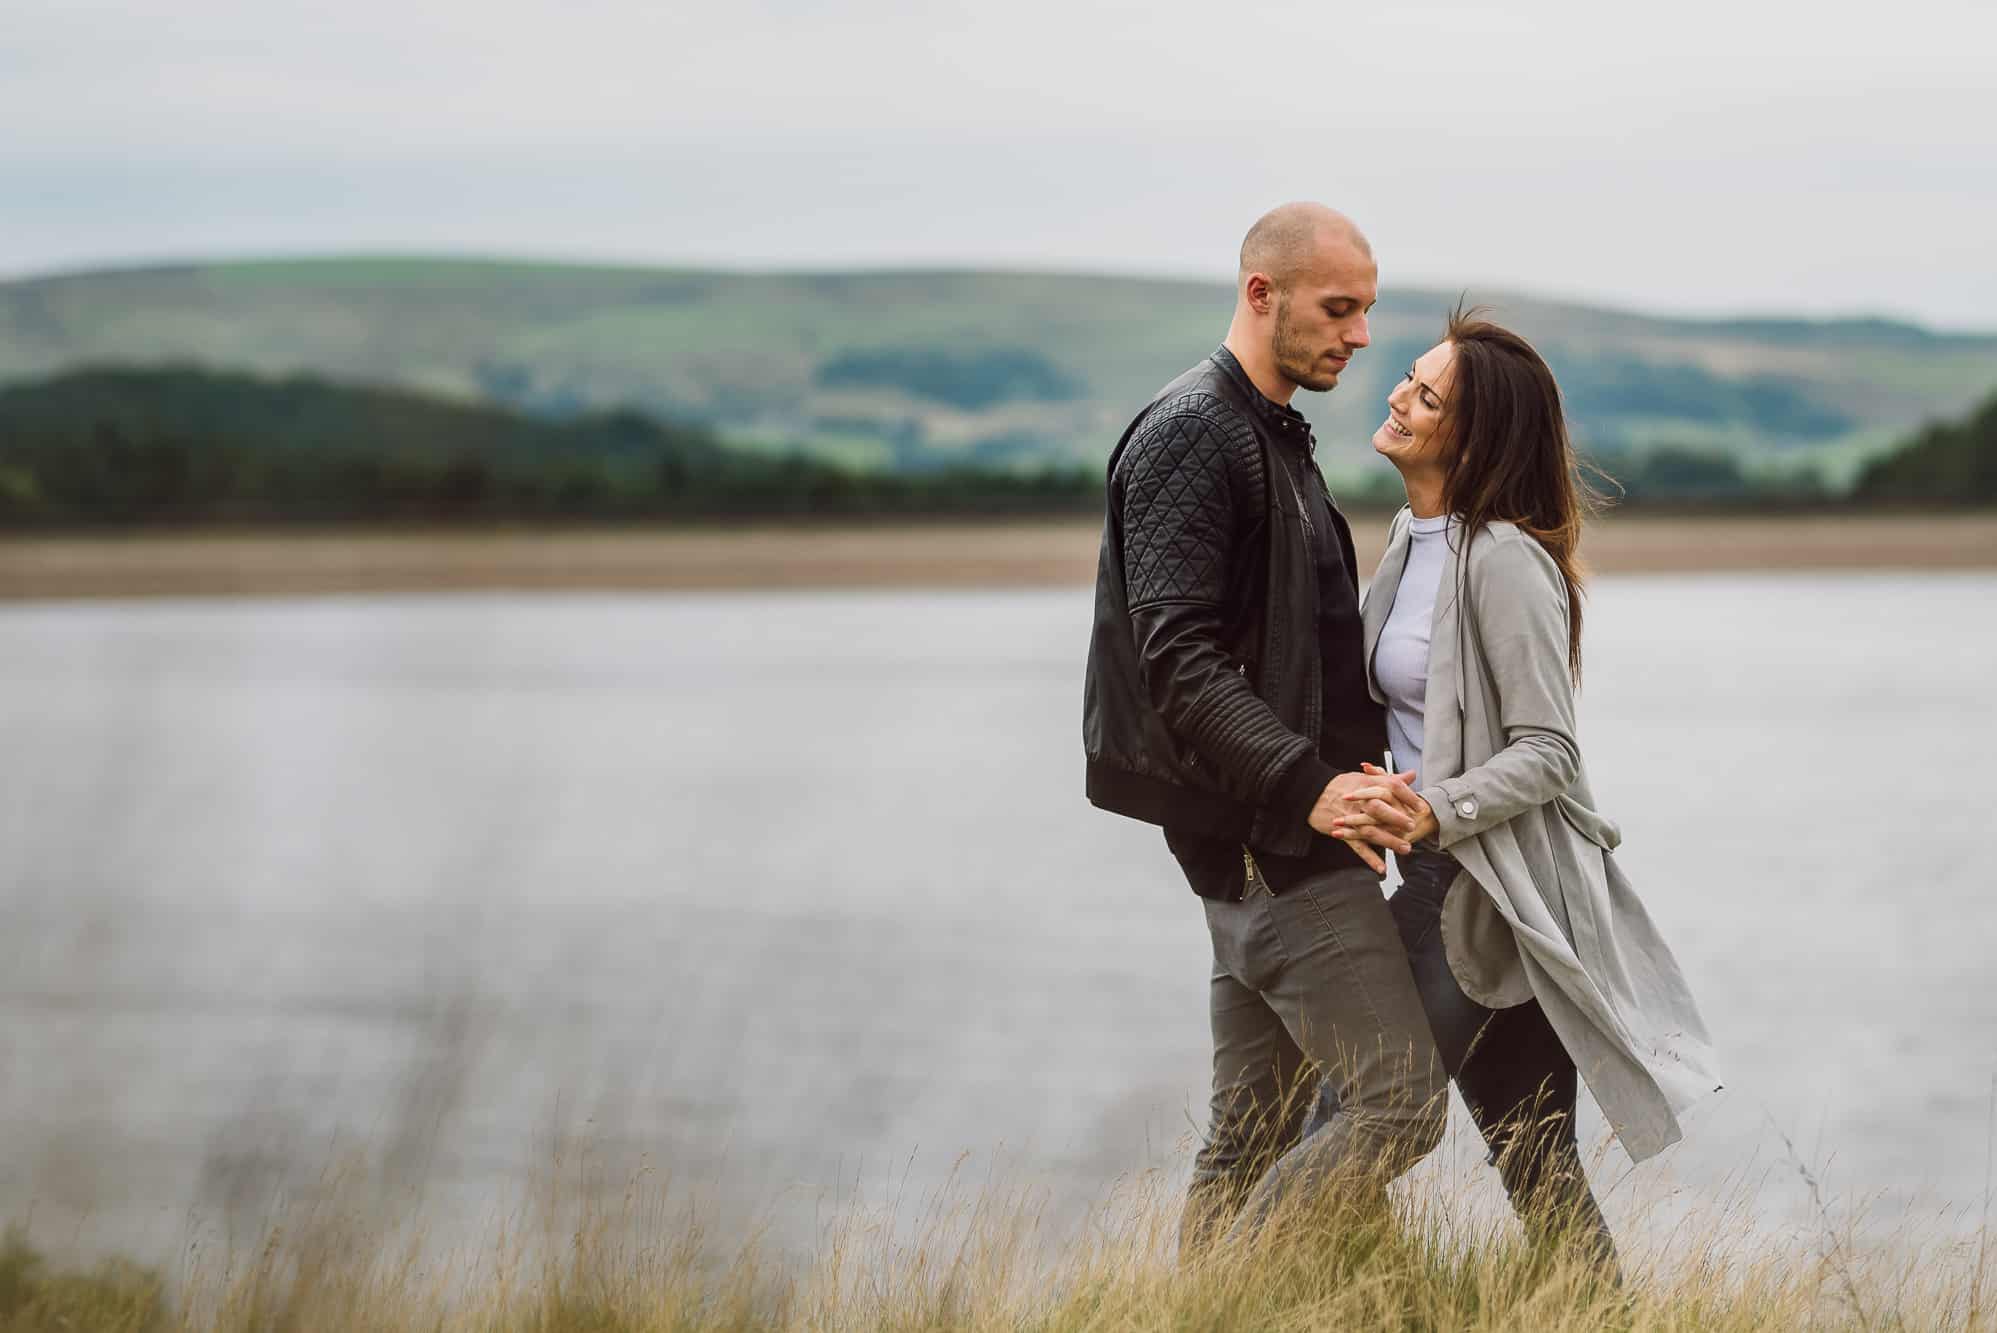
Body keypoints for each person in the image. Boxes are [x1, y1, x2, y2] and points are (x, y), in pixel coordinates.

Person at [1082, 202, 1447, 1255]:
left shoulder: (1264, 431)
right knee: (1397, 1104)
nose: (1360, 333)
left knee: (1248, 1136)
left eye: (1366, 309)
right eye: (1338, 308)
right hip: (1275, 851)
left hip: (1256, 844)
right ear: (1261, 294)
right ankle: (1241, 1298)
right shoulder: (1198, 431)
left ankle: (1197, 1310)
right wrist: (1309, 787)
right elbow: (1176, 658)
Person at [1329, 306, 1724, 1262]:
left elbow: (1548, 748)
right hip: (1439, 877)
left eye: (1427, 395)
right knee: (1540, 1168)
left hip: (1486, 893)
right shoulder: (1405, 536)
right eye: (1410, 378)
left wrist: (1434, 808)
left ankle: (1280, 1296)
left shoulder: (1504, 558)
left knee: (1344, 1130)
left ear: (1472, 438)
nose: (1398, 396)